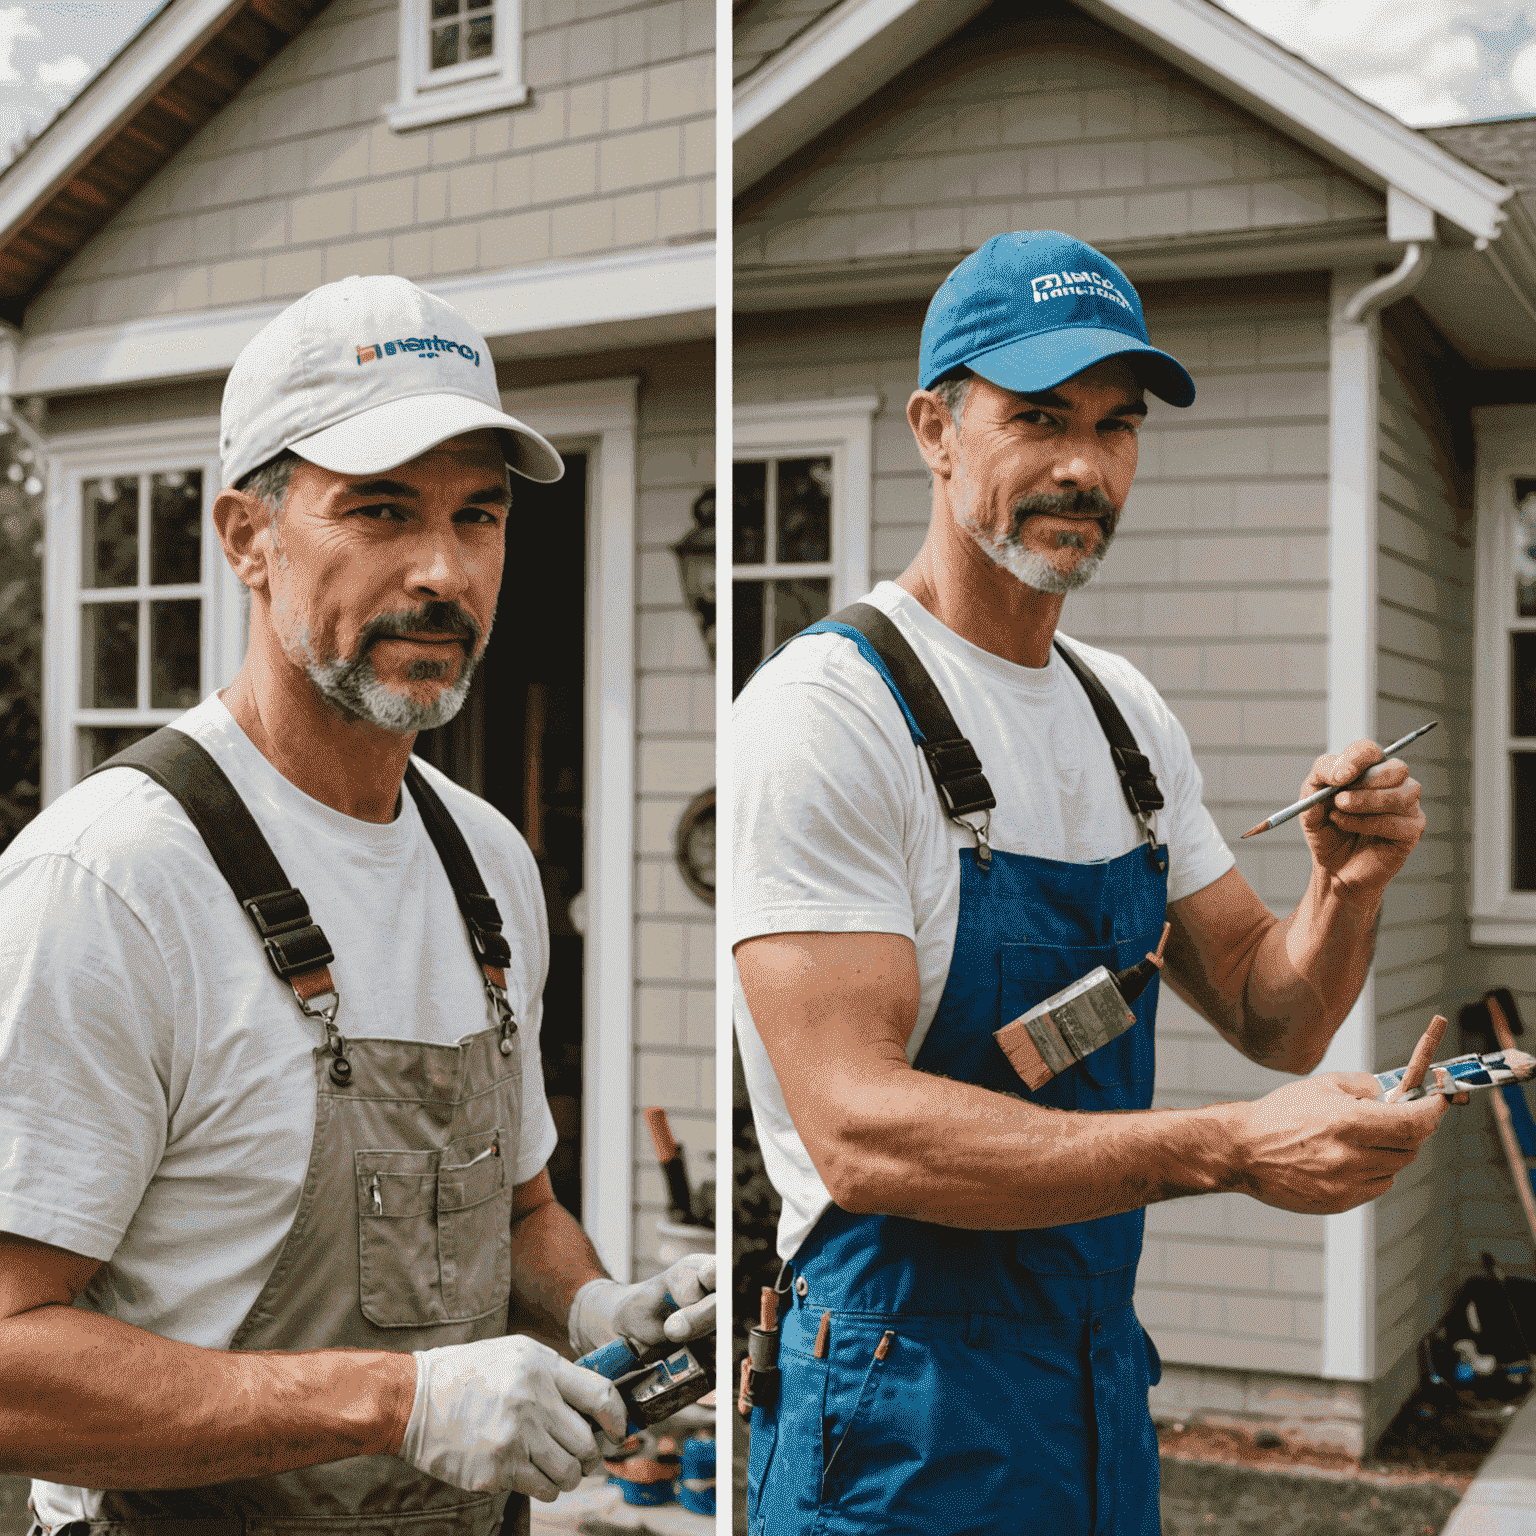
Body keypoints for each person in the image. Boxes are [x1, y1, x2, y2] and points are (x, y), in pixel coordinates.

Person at [732, 230, 1447, 1534]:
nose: (1084, 466)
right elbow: (858, 1127)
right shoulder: (829, 714)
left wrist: (1346, 887)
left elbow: (1269, 1008)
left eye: (1117, 427)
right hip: (897, 1415)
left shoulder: (1124, 717)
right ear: (936, 429)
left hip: (1090, 1385)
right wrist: (1227, 1147)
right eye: (1040, 418)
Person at [0, 275, 714, 1536]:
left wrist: (600, 1310)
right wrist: (397, 1401)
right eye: (378, 511)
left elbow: (519, 1216)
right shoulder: (108, 884)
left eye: (477, 517)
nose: (442, 572)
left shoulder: (487, 865)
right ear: (246, 536)